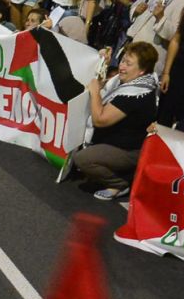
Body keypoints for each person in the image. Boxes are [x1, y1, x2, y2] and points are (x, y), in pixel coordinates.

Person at [69, 42, 163, 200]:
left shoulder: (136, 93)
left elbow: (100, 120)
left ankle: (120, 183)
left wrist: (95, 92)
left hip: (128, 150)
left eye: (128, 64)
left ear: (142, 70)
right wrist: (102, 63)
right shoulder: (130, 81)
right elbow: (103, 87)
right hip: (114, 140)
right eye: (122, 61)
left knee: (83, 159)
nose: (122, 66)